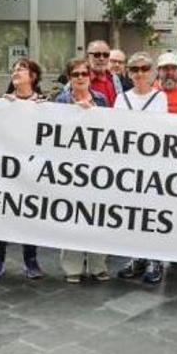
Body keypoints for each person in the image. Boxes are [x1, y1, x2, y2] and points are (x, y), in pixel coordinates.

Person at [0, 58, 46, 283]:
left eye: (22, 69)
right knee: (2, 212)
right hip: (6, 169)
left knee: (30, 213)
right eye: (14, 69)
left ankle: (31, 259)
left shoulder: (45, 104)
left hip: (33, 169)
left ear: (33, 76)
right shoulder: (3, 103)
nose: (16, 71)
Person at [54, 58, 111, 283]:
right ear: (69, 78)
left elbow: (110, 130)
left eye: (83, 74)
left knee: (97, 217)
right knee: (71, 217)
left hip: (97, 166)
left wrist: (93, 113)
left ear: (89, 76)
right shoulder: (60, 101)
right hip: (69, 168)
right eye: (75, 74)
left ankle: (98, 265)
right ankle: (72, 267)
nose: (80, 78)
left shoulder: (102, 100)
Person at [113, 52, 169, 284]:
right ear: (128, 72)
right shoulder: (121, 99)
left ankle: (154, 259)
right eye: (134, 69)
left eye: (144, 68)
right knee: (133, 214)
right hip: (129, 165)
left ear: (152, 71)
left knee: (153, 213)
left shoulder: (160, 98)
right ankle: (136, 257)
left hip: (153, 165)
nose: (139, 73)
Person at [86, 40, 132, 107]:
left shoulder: (115, 79)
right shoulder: (80, 78)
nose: (101, 58)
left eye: (105, 55)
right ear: (88, 57)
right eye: (97, 55)